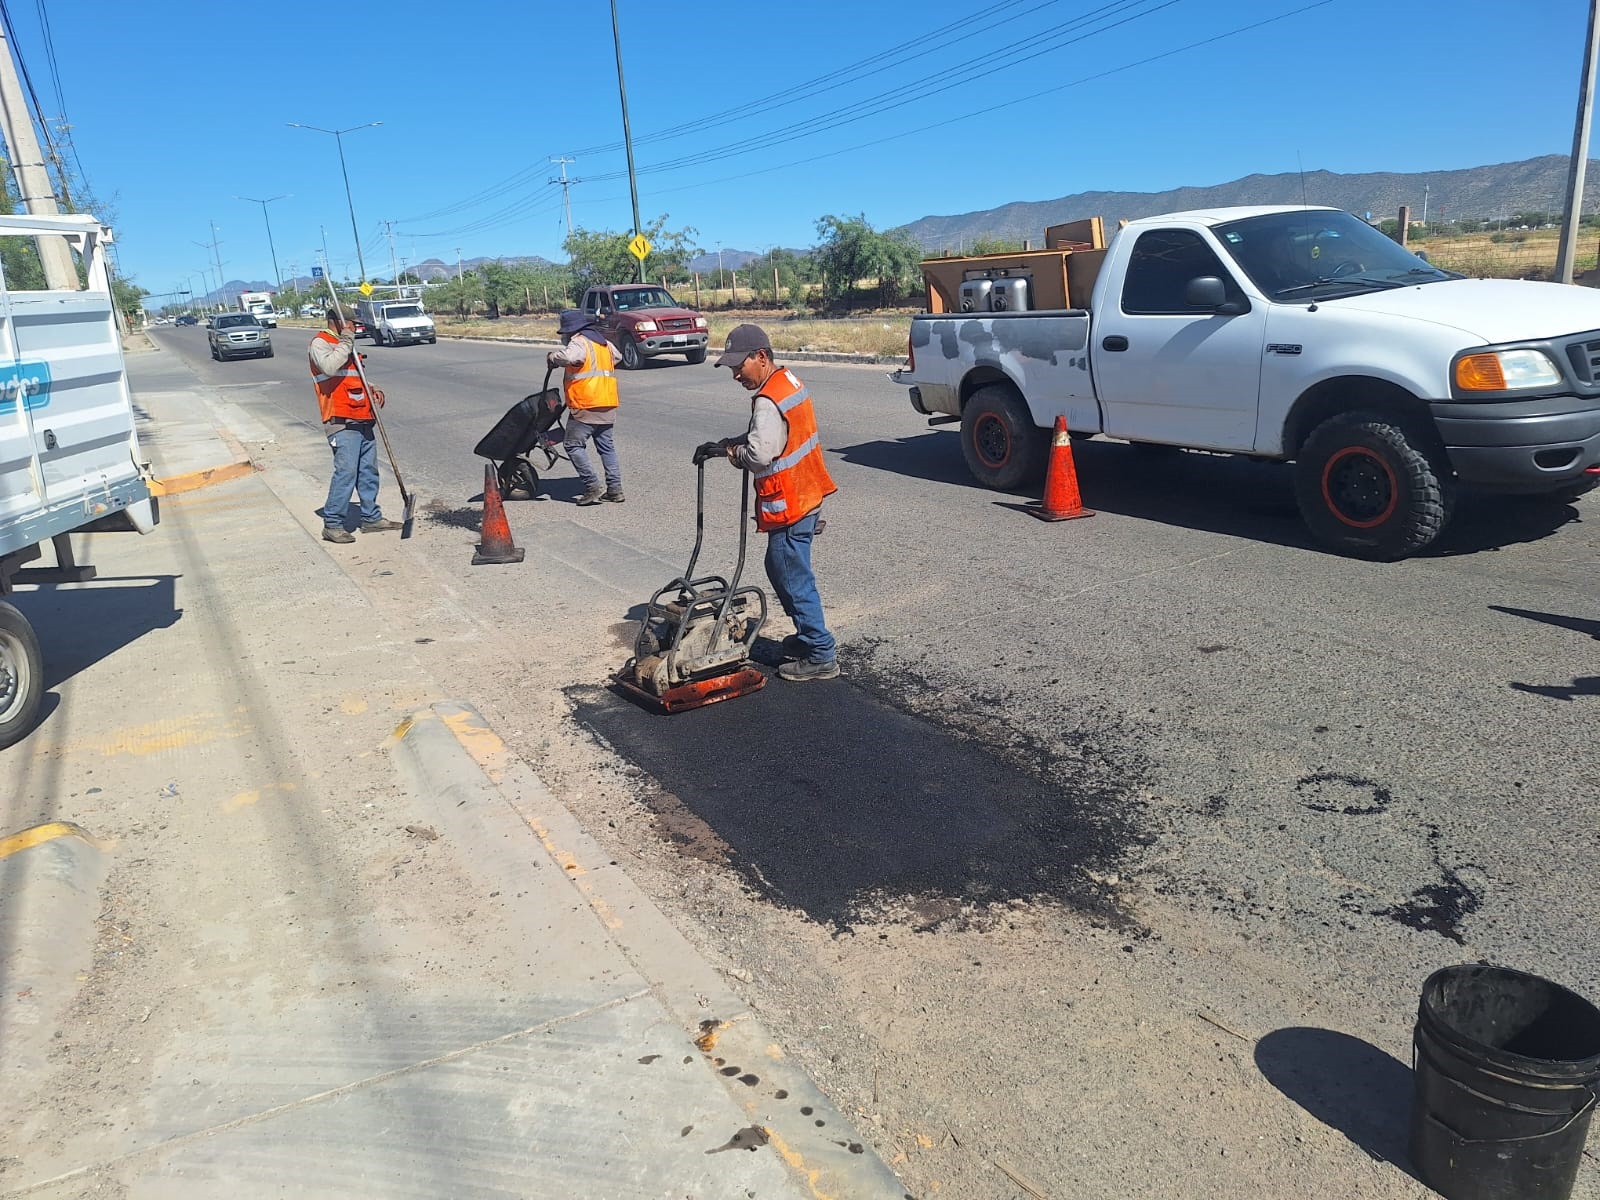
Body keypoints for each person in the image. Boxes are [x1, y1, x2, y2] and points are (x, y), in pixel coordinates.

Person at [697, 324, 838, 682]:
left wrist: (733, 453)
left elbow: (760, 455)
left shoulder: (766, 401)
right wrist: (728, 443)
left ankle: (821, 652)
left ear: (760, 357)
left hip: (791, 502)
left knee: (791, 575)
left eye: (738, 366)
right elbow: (777, 435)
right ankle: (808, 638)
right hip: (807, 493)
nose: (735, 374)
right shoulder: (787, 383)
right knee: (781, 568)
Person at [308, 308, 400, 543]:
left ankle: (371, 517)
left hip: (362, 415)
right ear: (336, 321)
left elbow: (352, 375)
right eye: (351, 323)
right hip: (340, 418)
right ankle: (333, 524)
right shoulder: (321, 343)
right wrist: (347, 340)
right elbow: (330, 368)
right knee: (346, 472)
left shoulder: (344, 343)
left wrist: (372, 386)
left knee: (368, 471)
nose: (355, 327)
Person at [547, 309, 623, 506]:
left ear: (571, 330)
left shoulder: (579, 342)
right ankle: (615, 490)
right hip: (607, 401)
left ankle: (592, 485)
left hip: (586, 403)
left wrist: (552, 357)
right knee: (606, 447)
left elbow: (569, 357)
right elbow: (617, 357)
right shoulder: (604, 343)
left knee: (572, 445)